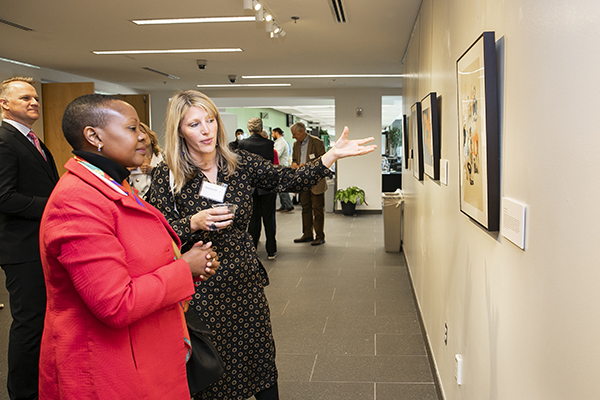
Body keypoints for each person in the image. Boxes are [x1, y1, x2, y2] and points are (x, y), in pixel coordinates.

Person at [146, 90, 376, 400]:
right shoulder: (168, 175)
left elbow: (289, 180)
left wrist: (330, 156)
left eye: (210, 120)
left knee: (260, 362)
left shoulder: (239, 163)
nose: (206, 130)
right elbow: (155, 234)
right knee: (212, 370)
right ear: (179, 130)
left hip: (245, 284)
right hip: (201, 290)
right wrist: (193, 223)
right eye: (194, 124)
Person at [38, 94, 220, 399]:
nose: (143, 137)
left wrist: (190, 267)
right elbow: (115, 303)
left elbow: (138, 256)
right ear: (94, 136)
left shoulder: (112, 183)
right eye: (133, 128)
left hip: (144, 350)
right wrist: (183, 269)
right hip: (107, 369)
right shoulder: (77, 202)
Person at [0, 76, 59, 400]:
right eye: (24, 98)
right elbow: (4, 197)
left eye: (35, 98)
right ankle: (22, 393)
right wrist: (53, 205)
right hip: (21, 248)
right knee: (29, 323)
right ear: (4, 104)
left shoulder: (32, 139)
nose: (33, 102)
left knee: (42, 320)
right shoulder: (4, 139)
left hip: (40, 242)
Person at [238, 118, 278, 260]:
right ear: (261, 129)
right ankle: (271, 250)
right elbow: (270, 166)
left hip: (250, 188)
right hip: (267, 187)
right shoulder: (269, 144)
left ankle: (253, 249)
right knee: (269, 219)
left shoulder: (242, 144)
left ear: (249, 129)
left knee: (253, 221)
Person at [291, 122, 328, 246]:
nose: (293, 137)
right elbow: (295, 159)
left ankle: (319, 236)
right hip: (302, 181)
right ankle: (307, 234)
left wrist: (306, 166)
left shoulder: (317, 143)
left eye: (294, 134)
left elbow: (323, 161)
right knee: (305, 209)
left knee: (317, 210)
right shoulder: (296, 144)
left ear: (301, 132)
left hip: (316, 181)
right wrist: (294, 164)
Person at [128, 122, 163, 199]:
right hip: (139, 204)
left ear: (151, 138)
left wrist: (154, 171)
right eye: (136, 134)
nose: (141, 137)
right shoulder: (129, 161)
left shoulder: (164, 158)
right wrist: (126, 172)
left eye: (143, 132)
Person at [272, 127, 294, 212]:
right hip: (280, 167)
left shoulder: (281, 142)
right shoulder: (279, 142)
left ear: (277, 133)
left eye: (273, 133)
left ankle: (288, 205)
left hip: (281, 167)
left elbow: (277, 153)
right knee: (280, 188)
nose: (272, 135)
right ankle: (284, 205)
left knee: (282, 187)